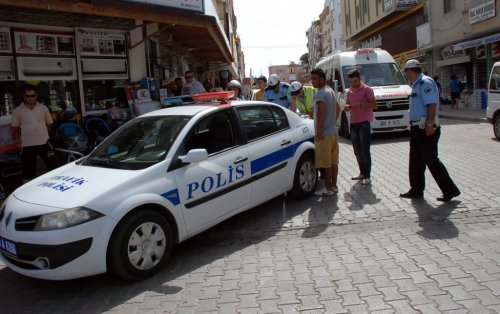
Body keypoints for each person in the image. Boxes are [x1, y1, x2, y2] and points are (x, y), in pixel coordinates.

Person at [400, 60, 460, 202]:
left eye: (405, 71)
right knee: (415, 161)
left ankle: (450, 190)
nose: (405, 74)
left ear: (411, 70)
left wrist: (429, 124)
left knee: (432, 160)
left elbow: (431, 105)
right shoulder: (416, 84)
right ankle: (416, 190)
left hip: (425, 128)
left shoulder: (424, 83)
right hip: (417, 128)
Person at [11, 85, 57, 183]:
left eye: (33, 96)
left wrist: (41, 133)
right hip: (27, 145)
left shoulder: (43, 108)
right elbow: (15, 128)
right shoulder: (17, 110)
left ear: (36, 95)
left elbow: (49, 124)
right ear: (24, 96)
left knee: (54, 168)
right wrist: (27, 134)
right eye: (28, 96)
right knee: (28, 172)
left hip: (44, 143)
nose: (30, 98)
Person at [344, 68, 377, 185]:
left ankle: (367, 175)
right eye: (351, 82)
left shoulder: (367, 89)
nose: (353, 84)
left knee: (365, 151)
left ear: (360, 79)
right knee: (357, 151)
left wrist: (361, 105)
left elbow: (374, 105)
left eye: (355, 81)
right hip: (353, 124)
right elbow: (348, 104)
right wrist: (347, 107)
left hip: (364, 124)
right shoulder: (349, 91)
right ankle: (362, 173)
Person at [310, 68, 340, 196]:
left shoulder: (321, 93)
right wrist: (331, 123)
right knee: (334, 162)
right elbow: (338, 109)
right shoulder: (331, 91)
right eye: (312, 79)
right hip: (333, 132)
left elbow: (321, 112)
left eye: (315, 78)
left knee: (326, 163)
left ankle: (327, 188)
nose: (312, 81)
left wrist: (319, 130)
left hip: (325, 134)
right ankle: (334, 186)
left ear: (322, 79)